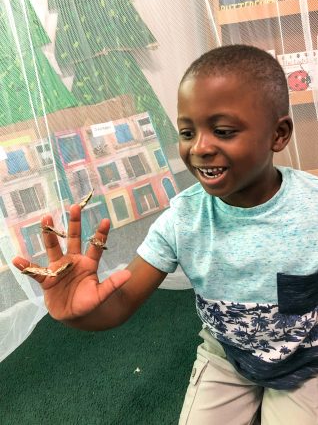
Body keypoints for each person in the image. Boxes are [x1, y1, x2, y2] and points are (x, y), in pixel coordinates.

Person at [13, 45, 318, 424]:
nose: (200, 147)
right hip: (227, 356)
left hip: (306, 361)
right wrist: (78, 311)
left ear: (279, 134)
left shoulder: (312, 207)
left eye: (223, 131)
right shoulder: (182, 218)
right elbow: (120, 301)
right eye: (187, 131)